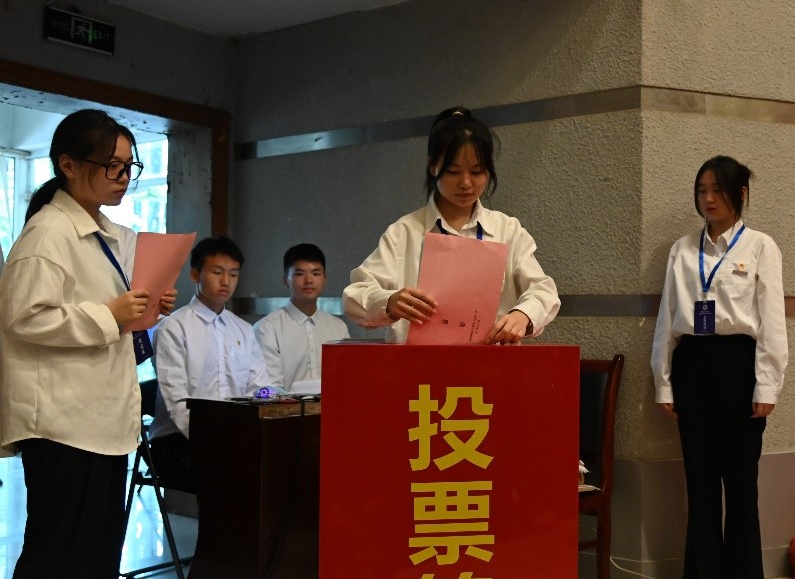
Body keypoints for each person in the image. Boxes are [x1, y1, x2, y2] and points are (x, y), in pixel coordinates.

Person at [0, 109, 175, 579]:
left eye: (129, 166)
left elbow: (116, 311)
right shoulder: (47, 233)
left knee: (93, 563)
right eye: (111, 166)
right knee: (57, 558)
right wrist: (110, 314)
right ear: (69, 165)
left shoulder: (108, 233)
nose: (123, 178)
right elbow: (23, 317)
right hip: (61, 421)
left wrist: (145, 306)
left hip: (100, 420)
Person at [650, 155, 788, 579]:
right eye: (702, 191)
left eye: (717, 191)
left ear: (740, 195)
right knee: (701, 479)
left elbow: (772, 321)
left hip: (738, 367)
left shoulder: (761, 246)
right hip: (692, 364)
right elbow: (668, 318)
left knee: (740, 481)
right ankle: (702, 578)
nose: (708, 199)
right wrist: (664, 382)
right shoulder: (682, 248)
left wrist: (767, 386)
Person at [344, 106, 560, 344]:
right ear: (433, 166)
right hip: (418, 365)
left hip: (490, 364)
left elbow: (544, 291)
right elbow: (355, 296)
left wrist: (523, 315)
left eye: (476, 172)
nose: (465, 183)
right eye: (453, 171)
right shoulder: (404, 232)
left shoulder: (507, 230)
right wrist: (389, 302)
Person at [149, 236, 271, 492]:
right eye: (217, 272)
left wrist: (269, 401)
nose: (226, 281)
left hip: (235, 434)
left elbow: (260, 387)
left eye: (233, 274)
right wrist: (216, 440)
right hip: (177, 440)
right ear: (195, 274)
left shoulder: (243, 329)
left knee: (277, 463)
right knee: (227, 470)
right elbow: (177, 399)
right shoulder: (173, 328)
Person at [253, 243, 350, 390]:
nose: (309, 280)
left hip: (334, 405)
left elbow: (347, 377)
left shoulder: (339, 328)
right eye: (299, 274)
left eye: (316, 274)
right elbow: (269, 388)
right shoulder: (266, 328)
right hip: (284, 405)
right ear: (285, 280)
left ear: (325, 280)